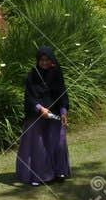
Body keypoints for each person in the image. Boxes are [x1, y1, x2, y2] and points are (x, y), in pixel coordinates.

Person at [16, 46, 71, 186]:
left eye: (47, 60)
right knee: (39, 146)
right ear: (38, 60)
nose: (45, 63)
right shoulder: (32, 75)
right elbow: (29, 97)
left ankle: (58, 172)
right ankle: (39, 176)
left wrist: (64, 111)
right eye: (42, 60)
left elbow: (62, 93)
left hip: (55, 115)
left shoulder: (57, 74)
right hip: (37, 116)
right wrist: (40, 109)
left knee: (57, 142)